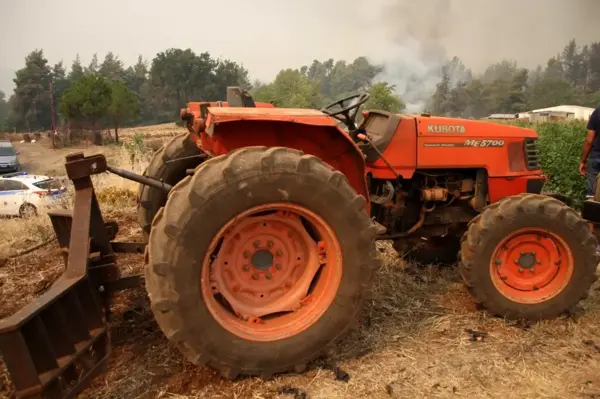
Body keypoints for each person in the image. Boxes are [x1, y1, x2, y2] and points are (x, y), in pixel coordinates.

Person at [579, 106, 600, 199]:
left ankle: (592, 211)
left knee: (592, 193)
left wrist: (583, 161)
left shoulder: (597, 112)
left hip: (596, 157)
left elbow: (589, 140)